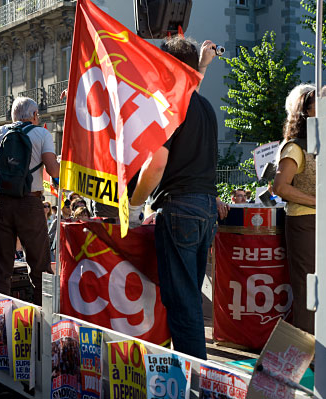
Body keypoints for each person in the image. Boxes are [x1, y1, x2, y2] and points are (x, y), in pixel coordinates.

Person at [128, 35, 229, 360]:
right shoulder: (204, 106)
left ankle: (194, 381)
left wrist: (133, 203)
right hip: (204, 209)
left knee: (183, 304)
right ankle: (194, 374)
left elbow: (157, 164)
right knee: (190, 300)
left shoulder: (172, 103)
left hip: (179, 208)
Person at [0, 96, 59, 305]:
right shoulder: (42, 134)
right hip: (30, 203)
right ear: (35, 115)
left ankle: (0, 324)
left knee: (0, 268)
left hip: (1, 204)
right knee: (39, 266)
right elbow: (53, 170)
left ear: (13, 116)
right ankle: (40, 323)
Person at [272, 84, 316, 335]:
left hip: (325, 222)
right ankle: (306, 359)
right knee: (307, 289)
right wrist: (318, 201)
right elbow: (280, 187)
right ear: (305, 112)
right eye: (316, 104)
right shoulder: (294, 147)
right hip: (304, 223)